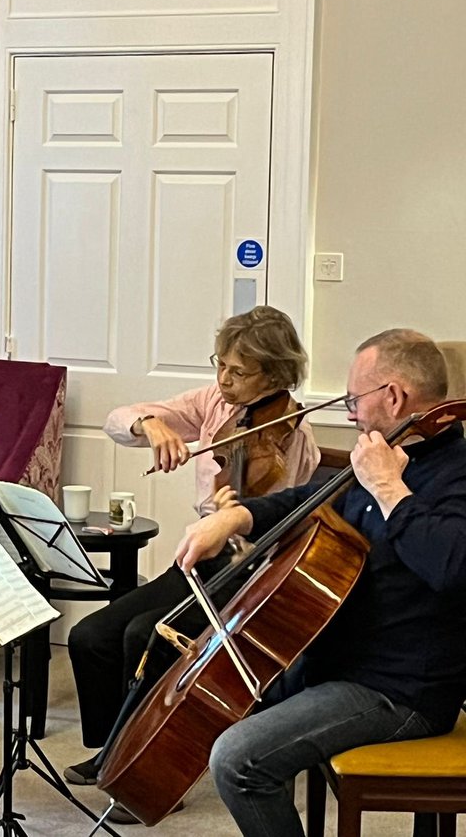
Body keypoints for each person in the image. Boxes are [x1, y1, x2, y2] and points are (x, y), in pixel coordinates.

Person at [175, 329, 466, 836]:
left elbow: (452, 566)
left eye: (356, 399)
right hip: (339, 662)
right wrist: (235, 518)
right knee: (225, 701)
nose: (350, 412)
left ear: (394, 397)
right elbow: (309, 499)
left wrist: (388, 488)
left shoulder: (449, 475)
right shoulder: (382, 453)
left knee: (238, 761)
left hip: (401, 690)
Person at [64, 306, 321, 808]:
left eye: (239, 371)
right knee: (89, 636)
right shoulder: (211, 405)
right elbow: (116, 422)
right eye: (220, 364)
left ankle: (149, 772)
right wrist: (151, 424)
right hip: (200, 554)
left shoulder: (294, 433)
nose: (224, 379)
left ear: (273, 373)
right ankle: (114, 749)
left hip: (250, 568)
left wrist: (245, 513)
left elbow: (291, 522)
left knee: (147, 634)